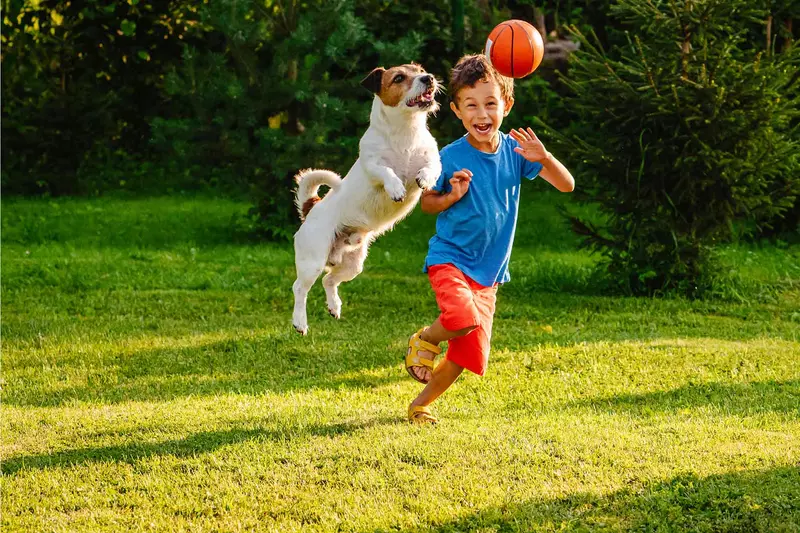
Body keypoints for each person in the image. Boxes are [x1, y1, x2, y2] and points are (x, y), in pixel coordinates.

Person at [404, 54, 575, 424]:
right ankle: (426, 339)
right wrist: (450, 196)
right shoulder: (448, 156)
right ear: (456, 110)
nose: (482, 114)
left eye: (491, 104)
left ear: (507, 106)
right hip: (450, 258)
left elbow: (566, 184)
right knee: (460, 317)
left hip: (488, 273)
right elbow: (427, 204)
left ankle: (421, 404)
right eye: (471, 105)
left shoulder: (517, 153)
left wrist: (544, 157)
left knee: (467, 355)